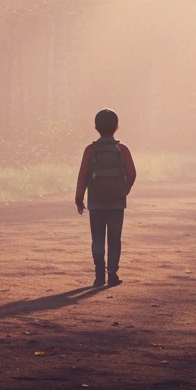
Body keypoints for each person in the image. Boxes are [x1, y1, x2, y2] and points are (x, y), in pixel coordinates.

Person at [74, 108, 136, 287]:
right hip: (117, 203)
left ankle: (99, 275)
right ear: (117, 127)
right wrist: (123, 190)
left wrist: (79, 198)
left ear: (95, 127)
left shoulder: (90, 150)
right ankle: (113, 273)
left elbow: (82, 176)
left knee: (98, 238)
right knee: (115, 238)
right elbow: (132, 174)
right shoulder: (122, 149)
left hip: (96, 202)